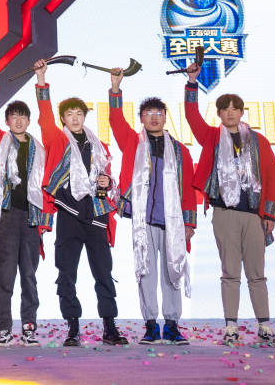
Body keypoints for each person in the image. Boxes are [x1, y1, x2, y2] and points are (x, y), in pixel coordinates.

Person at [183, 62, 275, 346]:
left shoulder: (259, 141)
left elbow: (272, 177)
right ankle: (231, 326)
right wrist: (192, 83)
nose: (229, 112)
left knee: (257, 273)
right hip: (224, 213)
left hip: (253, 215)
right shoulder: (212, 137)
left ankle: (264, 325)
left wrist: (269, 215)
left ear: (241, 112)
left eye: (234, 108)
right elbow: (192, 117)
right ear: (219, 114)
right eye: (224, 109)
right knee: (230, 272)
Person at [34, 59, 128, 347]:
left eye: (79, 114)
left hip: (96, 213)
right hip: (69, 213)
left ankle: (110, 327)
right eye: (69, 114)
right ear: (63, 119)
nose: (74, 118)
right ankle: (72, 327)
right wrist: (41, 80)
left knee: (104, 272)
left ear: (85, 117)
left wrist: (107, 182)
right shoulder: (57, 139)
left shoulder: (99, 146)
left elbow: (109, 179)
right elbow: (44, 117)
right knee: (66, 273)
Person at [108, 68, 197, 345]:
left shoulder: (180, 151)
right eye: (149, 113)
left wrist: (189, 223)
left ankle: (171, 325)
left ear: (165, 117)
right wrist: (115, 88)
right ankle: (150, 325)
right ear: (142, 119)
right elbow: (115, 120)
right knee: (146, 271)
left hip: (172, 222)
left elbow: (188, 189)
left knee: (172, 272)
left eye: (159, 113)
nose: (154, 117)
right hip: (143, 220)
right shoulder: (133, 143)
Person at [0, 60, 53, 347]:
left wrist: (41, 80)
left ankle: (29, 328)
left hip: (30, 218)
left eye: (23, 116)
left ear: (28, 121)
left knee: (29, 277)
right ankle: (4, 329)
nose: (18, 120)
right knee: (4, 277)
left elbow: (48, 118)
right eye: (13, 116)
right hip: (5, 217)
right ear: (7, 121)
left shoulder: (39, 148)